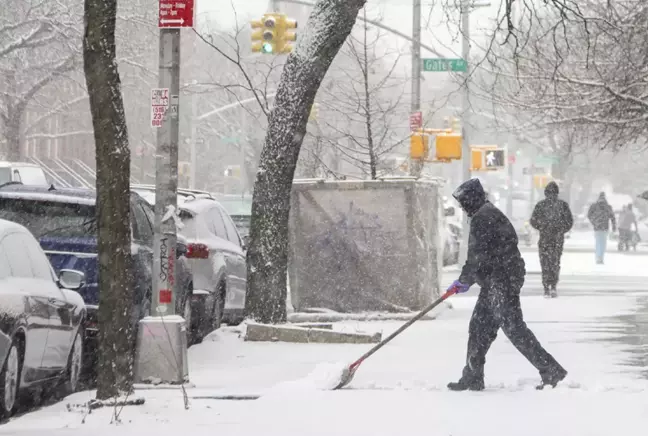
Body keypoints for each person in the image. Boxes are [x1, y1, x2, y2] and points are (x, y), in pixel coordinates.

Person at [447, 178, 567, 391]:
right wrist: (469, 278)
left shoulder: (483, 217)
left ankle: (551, 370)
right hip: (498, 278)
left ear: (471, 199)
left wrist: (464, 280)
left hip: (502, 280)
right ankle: (473, 375)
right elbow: (485, 255)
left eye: (463, 202)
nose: (462, 207)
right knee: (479, 327)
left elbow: (477, 257)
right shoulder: (486, 212)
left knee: (514, 328)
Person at [529, 182, 573, 298]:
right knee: (555, 262)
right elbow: (569, 221)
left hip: (544, 238)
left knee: (545, 263)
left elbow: (533, 221)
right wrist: (561, 230)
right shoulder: (563, 205)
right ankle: (553, 285)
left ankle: (546, 287)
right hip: (557, 239)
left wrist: (542, 227)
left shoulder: (540, 205)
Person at [587, 192, 616, 264]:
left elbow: (589, 215)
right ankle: (601, 258)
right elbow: (613, 217)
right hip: (605, 227)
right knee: (603, 243)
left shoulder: (594, 206)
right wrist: (614, 227)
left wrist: (593, 222)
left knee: (598, 243)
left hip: (597, 227)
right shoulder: (608, 207)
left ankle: (598, 257)